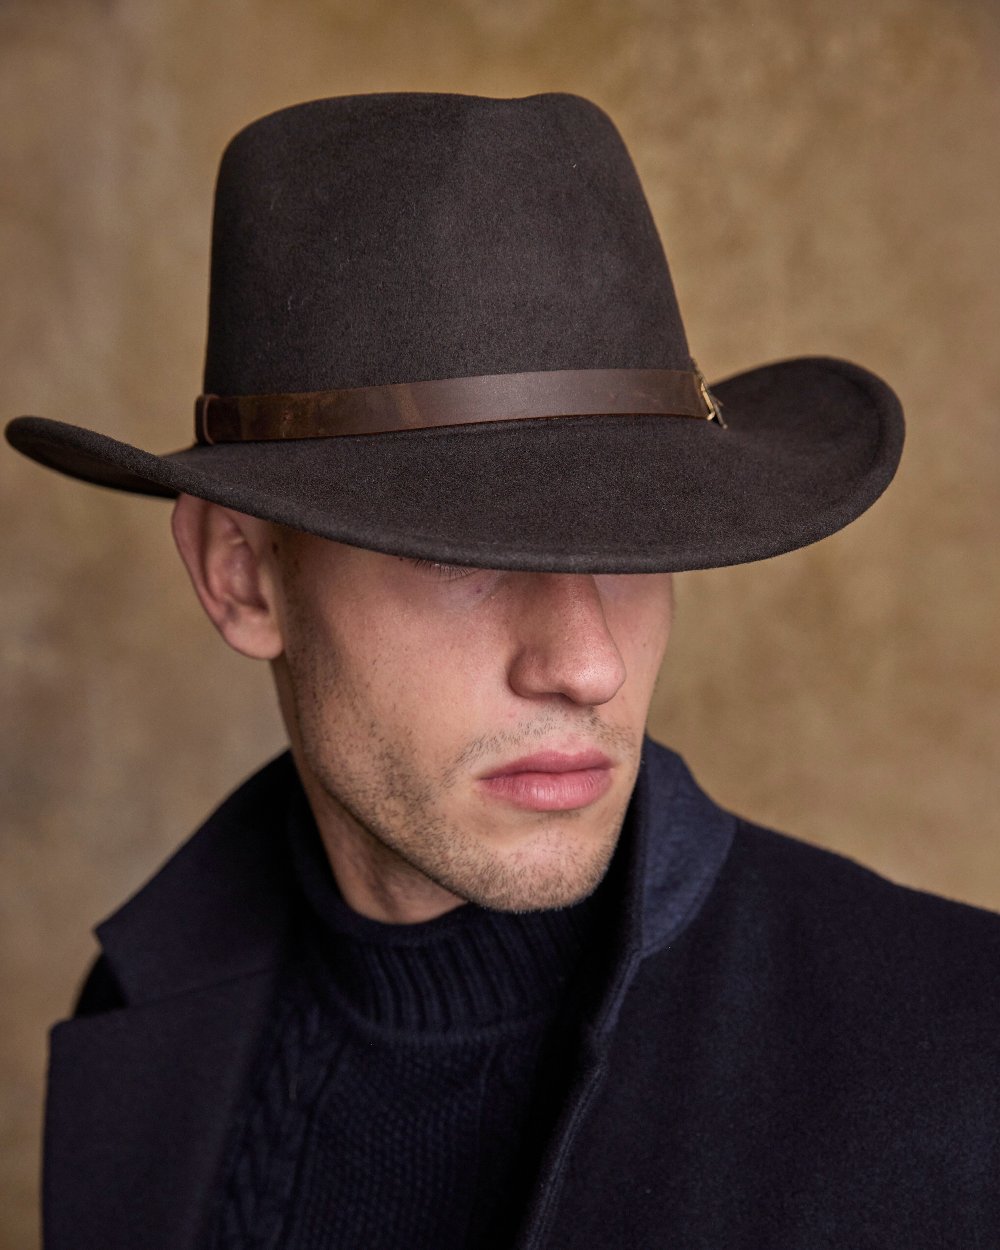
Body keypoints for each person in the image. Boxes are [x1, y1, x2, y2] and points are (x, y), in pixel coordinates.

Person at [6, 92, 999, 1250]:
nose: (583, 661)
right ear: (242, 573)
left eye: (635, 541)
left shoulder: (963, 1059)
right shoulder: (142, 1019)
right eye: (456, 548)